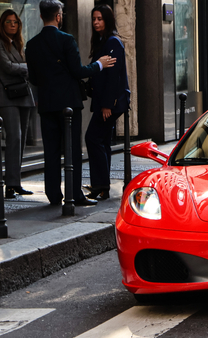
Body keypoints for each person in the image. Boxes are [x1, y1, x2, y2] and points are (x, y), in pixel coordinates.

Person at [25, 0, 115, 206]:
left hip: (47, 104)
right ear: (58, 16)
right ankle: (74, 194)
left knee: (51, 150)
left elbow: (35, 79)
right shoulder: (66, 40)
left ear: (41, 16)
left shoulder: (32, 44)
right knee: (72, 150)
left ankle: (53, 195)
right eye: (62, 14)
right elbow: (78, 71)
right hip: (68, 104)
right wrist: (99, 65)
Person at [84, 4, 130, 201]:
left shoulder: (113, 42)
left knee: (92, 138)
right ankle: (101, 186)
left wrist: (107, 105)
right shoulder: (105, 41)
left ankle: (101, 185)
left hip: (111, 103)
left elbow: (113, 77)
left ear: (108, 20)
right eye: (94, 19)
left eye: (100, 19)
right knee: (101, 141)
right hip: (108, 101)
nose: (96, 22)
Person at [0, 10, 35, 199]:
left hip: (23, 94)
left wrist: (23, 68)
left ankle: (15, 182)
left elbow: (16, 66)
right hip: (7, 95)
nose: (13, 25)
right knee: (14, 138)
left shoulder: (18, 44)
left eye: (16, 22)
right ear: (3, 24)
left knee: (21, 139)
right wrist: (28, 67)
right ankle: (9, 184)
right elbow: (7, 67)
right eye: (9, 22)